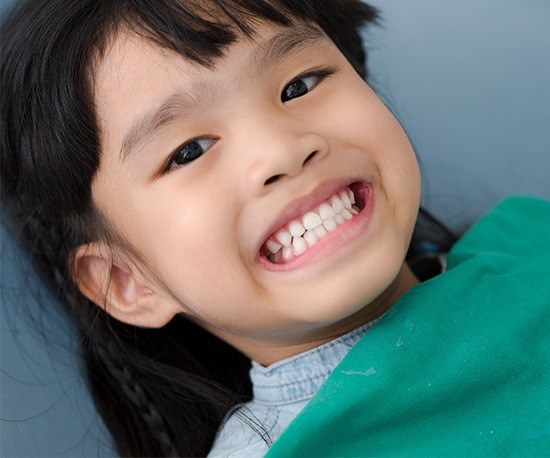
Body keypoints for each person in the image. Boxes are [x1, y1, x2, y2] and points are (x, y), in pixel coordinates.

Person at [1, 1, 548, 457]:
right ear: (127, 281)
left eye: (299, 85)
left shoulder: (529, 241)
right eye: (188, 151)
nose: (282, 150)